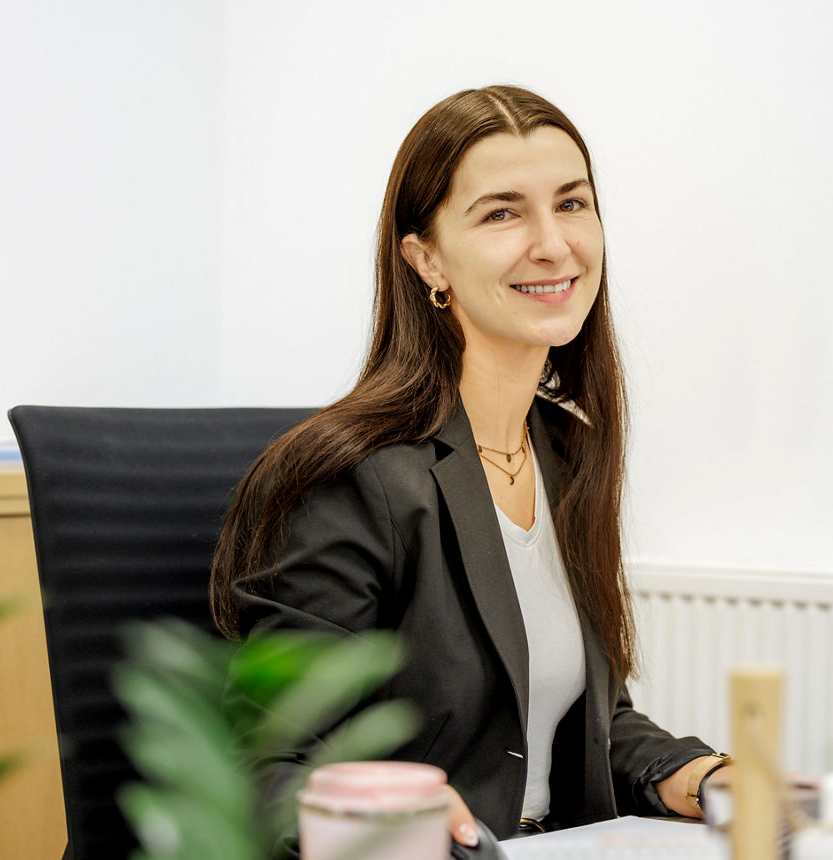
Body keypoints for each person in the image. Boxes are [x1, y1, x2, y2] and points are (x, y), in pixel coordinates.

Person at [209, 85, 729, 851]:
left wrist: (706, 776)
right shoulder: (353, 480)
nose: (553, 244)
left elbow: (584, 723)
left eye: (572, 203)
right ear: (427, 259)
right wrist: (402, 822)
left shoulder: (567, 452)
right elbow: (269, 770)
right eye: (502, 214)